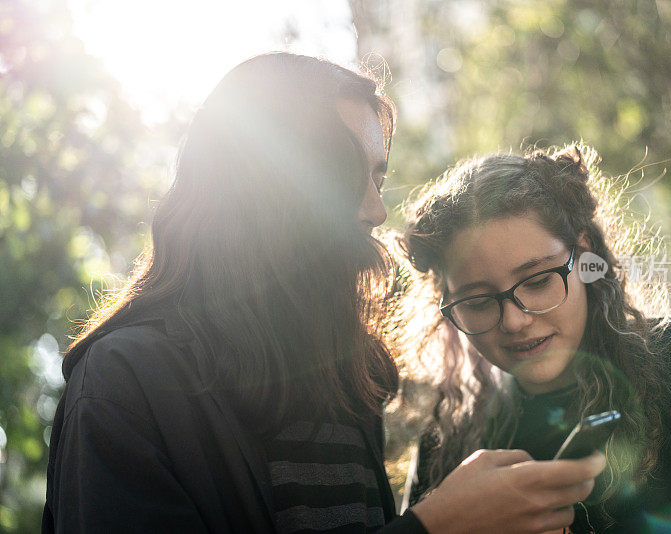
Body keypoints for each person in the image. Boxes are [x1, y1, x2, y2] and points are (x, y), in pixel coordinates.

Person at [42, 53, 606, 533]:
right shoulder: (126, 384)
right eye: (342, 176)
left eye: (379, 179)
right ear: (258, 188)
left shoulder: (341, 387)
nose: (375, 210)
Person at [399, 144, 671, 533]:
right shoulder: (447, 441)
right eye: (479, 301)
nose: (515, 321)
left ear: (586, 258)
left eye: (538, 281)